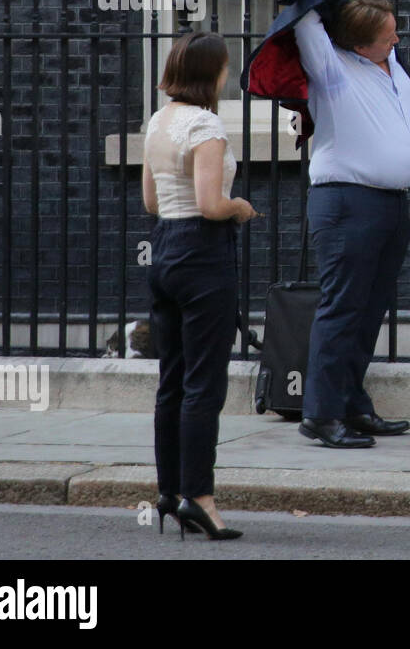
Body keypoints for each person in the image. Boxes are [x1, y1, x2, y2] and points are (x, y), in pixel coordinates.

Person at [294, 0, 410, 449]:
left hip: (391, 203)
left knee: (370, 310)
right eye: (389, 35)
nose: (397, 38)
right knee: (343, 308)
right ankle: (321, 414)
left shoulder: (390, 66)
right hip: (347, 201)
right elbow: (306, 24)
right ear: (360, 43)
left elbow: (408, 97)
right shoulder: (333, 72)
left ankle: (352, 404)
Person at [143, 32, 258, 540]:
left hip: (165, 246)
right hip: (203, 253)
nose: (226, 77)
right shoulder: (205, 124)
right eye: (223, 69)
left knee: (172, 379)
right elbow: (212, 204)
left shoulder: (159, 120)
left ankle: (169, 492)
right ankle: (200, 497)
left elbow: (151, 201)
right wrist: (242, 208)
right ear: (210, 74)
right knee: (203, 384)